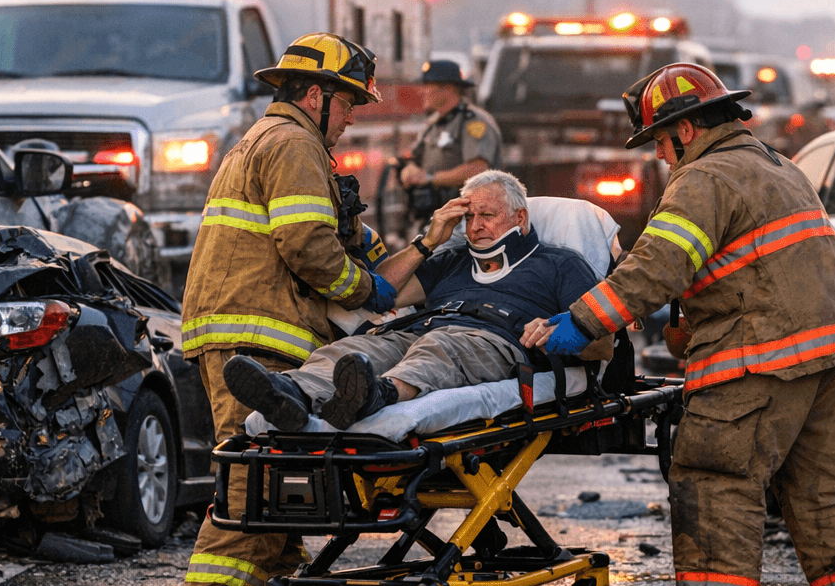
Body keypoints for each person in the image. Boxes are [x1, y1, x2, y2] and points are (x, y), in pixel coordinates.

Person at [523, 62, 835, 586]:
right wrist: (690, 320)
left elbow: (657, 266)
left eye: (660, 142)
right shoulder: (777, 165)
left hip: (767, 353)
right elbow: (749, 265)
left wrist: (582, 322)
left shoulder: (705, 177)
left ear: (686, 129)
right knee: (817, 480)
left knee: (714, 468)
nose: (661, 156)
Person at [179, 33, 398, 586]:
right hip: (256, 329)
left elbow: (332, 231)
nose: (352, 118)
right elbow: (308, 246)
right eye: (348, 103)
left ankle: (282, 575)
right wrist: (365, 289)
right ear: (315, 95)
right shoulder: (294, 144)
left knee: (280, 458)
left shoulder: (270, 139)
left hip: (240, 322)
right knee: (255, 463)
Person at [225, 170, 598, 430]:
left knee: (442, 348)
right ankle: (289, 395)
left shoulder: (560, 263)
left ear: (521, 218)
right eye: (468, 217)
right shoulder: (451, 259)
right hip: (418, 330)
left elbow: (603, 342)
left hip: (494, 340)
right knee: (355, 349)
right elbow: (381, 291)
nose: (475, 227)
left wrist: (557, 330)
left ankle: (380, 394)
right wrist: (430, 241)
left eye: (487, 215)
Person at [397, 58, 502, 224]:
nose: (423, 91)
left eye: (428, 85)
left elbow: (477, 170)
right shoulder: (432, 124)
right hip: (436, 218)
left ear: (448, 88)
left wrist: (430, 178)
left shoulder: (473, 122)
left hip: (470, 219)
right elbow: (414, 158)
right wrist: (409, 170)